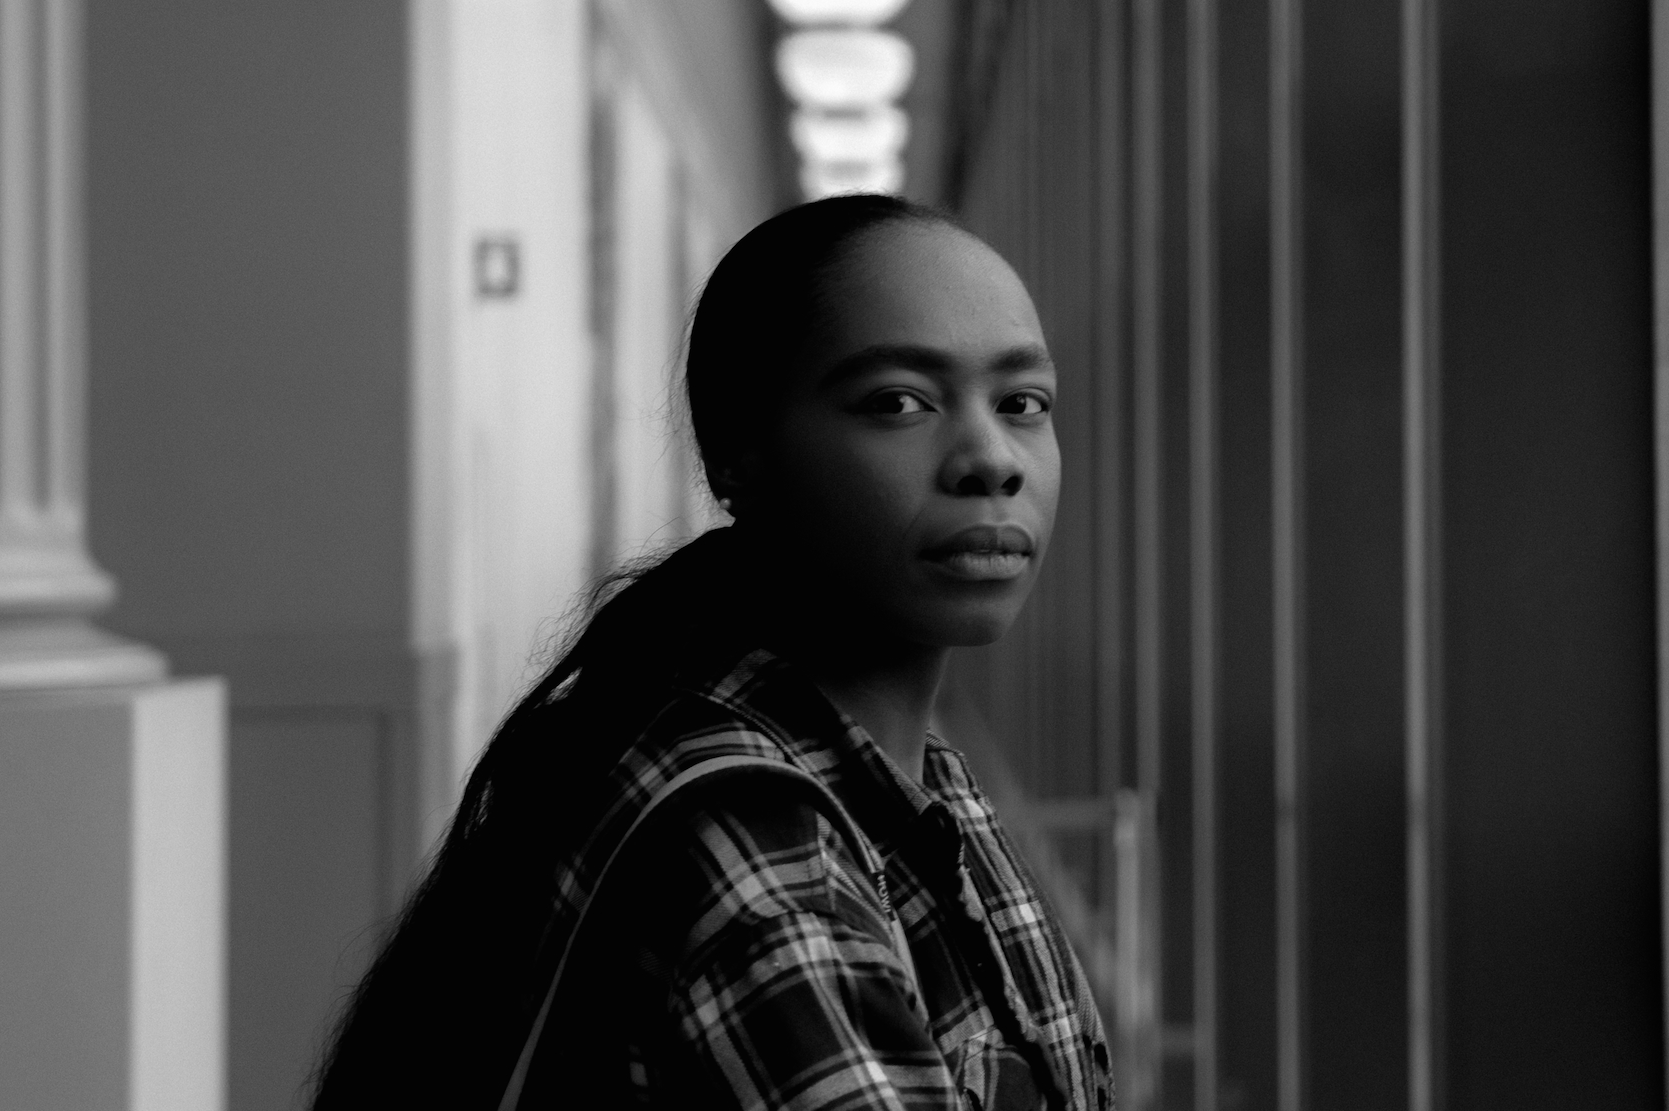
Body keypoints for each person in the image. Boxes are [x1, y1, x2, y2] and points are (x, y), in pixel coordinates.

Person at [311, 194, 1110, 1110]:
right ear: (738, 448)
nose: (990, 458)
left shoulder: (918, 788)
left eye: (1022, 402)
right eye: (899, 402)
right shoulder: (754, 838)